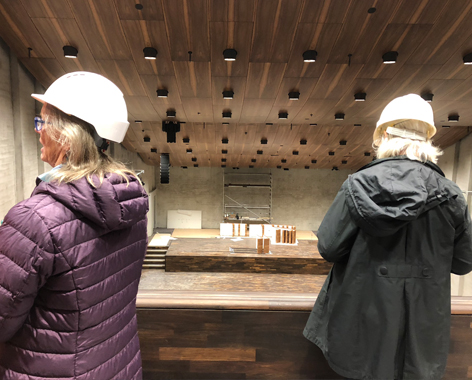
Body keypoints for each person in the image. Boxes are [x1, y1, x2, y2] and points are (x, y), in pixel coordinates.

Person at [303, 94, 472, 380]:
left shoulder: (356, 186)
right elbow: (464, 262)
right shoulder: (451, 195)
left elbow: (329, 248)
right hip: (421, 331)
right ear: (427, 141)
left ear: (382, 135)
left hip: (360, 326)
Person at [0, 72, 148, 379]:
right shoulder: (132, 204)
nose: (38, 132)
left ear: (65, 137)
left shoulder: (35, 220)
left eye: (41, 123)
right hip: (117, 366)